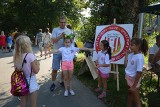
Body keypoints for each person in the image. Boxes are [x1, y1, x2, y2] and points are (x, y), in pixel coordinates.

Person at [13, 35, 40, 107]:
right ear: (27, 45)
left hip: (22, 81)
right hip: (31, 80)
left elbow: (17, 69)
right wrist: (38, 65)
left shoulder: (16, 56)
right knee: (33, 103)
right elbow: (36, 71)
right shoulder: (30, 55)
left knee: (23, 102)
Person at [124, 38, 148, 107]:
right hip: (128, 77)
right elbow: (125, 66)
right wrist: (126, 55)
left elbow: (139, 72)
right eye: (130, 45)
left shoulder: (139, 57)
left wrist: (134, 86)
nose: (130, 47)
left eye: (132, 45)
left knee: (137, 100)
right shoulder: (131, 54)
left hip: (134, 80)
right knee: (130, 94)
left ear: (138, 46)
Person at [50, 16, 72, 91]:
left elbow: (71, 42)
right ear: (59, 22)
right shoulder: (55, 30)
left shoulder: (69, 31)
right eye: (61, 22)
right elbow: (53, 41)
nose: (63, 24)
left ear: (66, 23)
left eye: (64, 22)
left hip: (65, 53)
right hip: (57, 52)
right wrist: (61, 36)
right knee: (55, 68)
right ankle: (53, 83)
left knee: (64, 69)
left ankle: (61, 81)